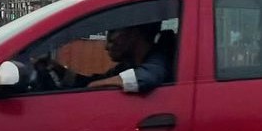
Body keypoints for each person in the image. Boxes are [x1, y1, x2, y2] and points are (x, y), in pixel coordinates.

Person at [39, 22, 172, 95]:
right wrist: (58, 69)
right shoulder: (127, 66)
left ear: (133, 34)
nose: (107, 47)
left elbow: (147, 77)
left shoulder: (159, 59)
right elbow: (93, 81)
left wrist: (95, 86)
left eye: (112, 37)